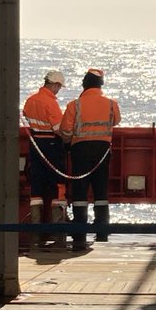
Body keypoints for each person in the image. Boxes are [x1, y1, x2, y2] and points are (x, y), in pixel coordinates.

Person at [60, 67, 121, 249]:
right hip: (102, 151)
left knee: (80, 190)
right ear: (100, 85)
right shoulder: (111, 104)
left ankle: (80, 229)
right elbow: (116, 120)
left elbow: (65, 130)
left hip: (80, 150)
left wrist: (68, 142)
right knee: (101, 190)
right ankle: (102, 229)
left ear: (84, 84)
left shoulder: (74, 105)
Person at [22, 69, 66, 244]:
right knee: (58, 184)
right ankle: (58, 228)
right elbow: (59, 129)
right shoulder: (50, 103)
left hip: (35, 145)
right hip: (51, 145)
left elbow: (26, 117)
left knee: (37, 185)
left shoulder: (31, 100)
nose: (58, 90)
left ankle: (35, 227)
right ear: (55, 85)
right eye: (59, 87)